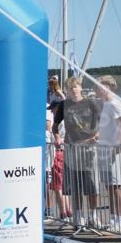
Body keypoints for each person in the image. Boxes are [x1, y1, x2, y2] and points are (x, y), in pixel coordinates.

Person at [53, 77, 102, 228]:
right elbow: (55, 125)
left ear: (81, 87)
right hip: (71, 149)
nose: (73, 90)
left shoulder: (92, 103)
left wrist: (96, 136)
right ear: (67, 90)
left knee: (92, 185)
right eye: (70, 88)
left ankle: (93, 217)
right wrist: (57, 137)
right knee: (76, 186)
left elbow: (103, 123)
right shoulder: (63, 105)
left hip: (89, 150)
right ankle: (79, 217)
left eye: (76, 87)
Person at [96, 75, 121, 232]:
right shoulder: (105, 104)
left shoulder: (115, 103)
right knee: (110, 187)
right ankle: (112, 220)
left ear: (106, 88)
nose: (96, 89)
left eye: (98, 86)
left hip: (114, 151)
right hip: (104, 150)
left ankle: (120, 222)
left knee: (117, 186)